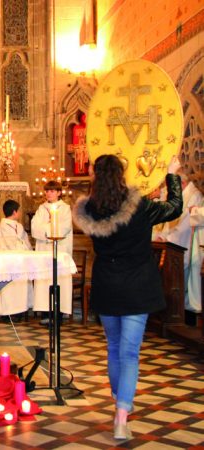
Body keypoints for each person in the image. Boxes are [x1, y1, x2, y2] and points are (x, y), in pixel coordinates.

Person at [72, 154, 182, 440]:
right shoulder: (140, 206)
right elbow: (174, 207)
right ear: (121, 174)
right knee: (129, 352)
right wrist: (172, 175)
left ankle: (119, 397)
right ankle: (121, 416)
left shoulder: (89, 210)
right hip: (137, 285)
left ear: (95, 175)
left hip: (107, 284)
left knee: (113, 347)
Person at [154, 172, 203, 319]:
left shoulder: (194, 195)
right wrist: (163, 235)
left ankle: (181, 316)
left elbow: (185, 223)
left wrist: (167, 238)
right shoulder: (184, 193)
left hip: (184, 243)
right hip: (177, 242)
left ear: (181, 183)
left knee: (184, 282)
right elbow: (170, 220)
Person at [31, 180, 73, 321]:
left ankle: (58, 314)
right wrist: (49, 228)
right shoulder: (41, 209)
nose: (49, 193)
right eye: (47, 191)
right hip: (43, 251)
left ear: (59, 193)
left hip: (60, 250)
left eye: (52, 191)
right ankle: (45, 313)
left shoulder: (65, 208)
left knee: (59, 280)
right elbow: (34, 228)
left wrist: (45, 228)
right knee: (44, 281)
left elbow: (64, 228)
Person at [0, 200, 33, 318]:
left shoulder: (19, 226)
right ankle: (7, 313)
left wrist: (28, 251)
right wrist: (21, 247)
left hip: (20, 261)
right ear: (14, 212)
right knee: (9, 289)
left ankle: (20, 310)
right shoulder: (3, 226)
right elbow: (10, 243)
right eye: (19, 211)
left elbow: (25, 241)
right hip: (8, 262)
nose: (20, 213)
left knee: (20, 287)